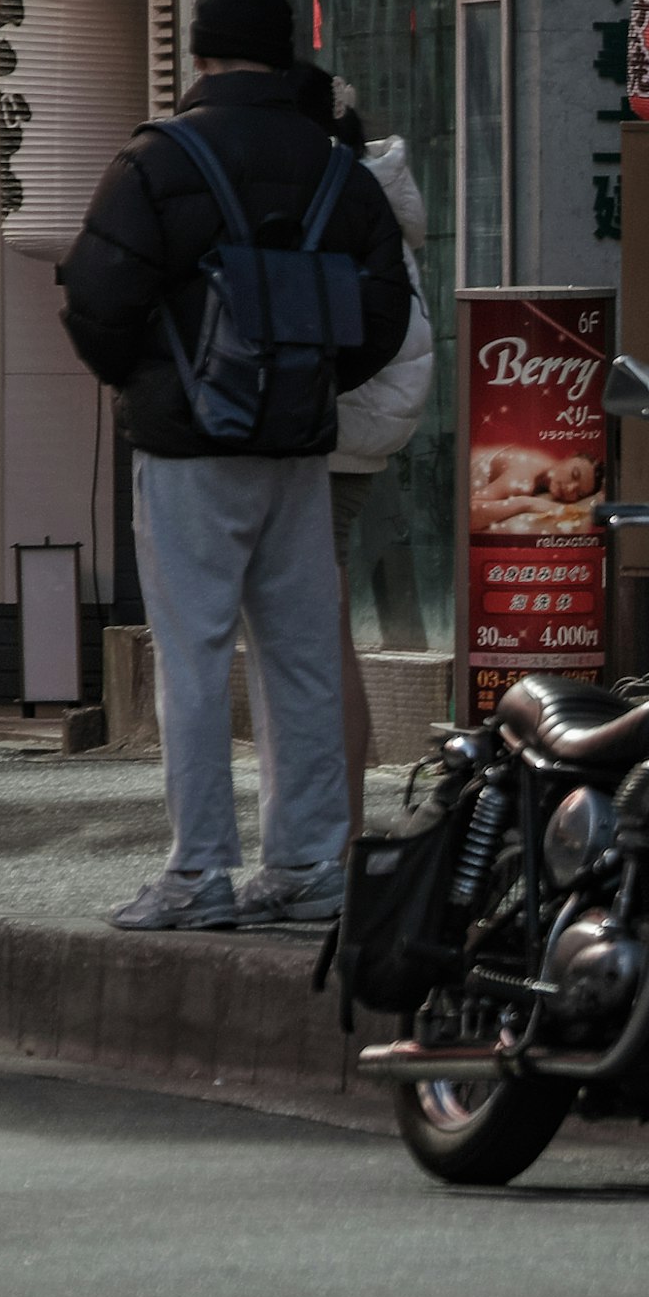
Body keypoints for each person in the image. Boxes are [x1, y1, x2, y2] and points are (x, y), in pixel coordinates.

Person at [57, 0, 413, 931]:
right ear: (284, 54)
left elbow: (96, 296)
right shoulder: (339, 167)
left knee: (194, 653)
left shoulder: (158, 158)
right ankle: (306, 869)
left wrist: (160, 381)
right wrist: (304, 385)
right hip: (296, 448)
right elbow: (384, 315)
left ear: (201, 56)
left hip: (187, 449)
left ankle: (199, 872)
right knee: (299, 658)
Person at [303, 70, 434, 822]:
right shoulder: (367, 195)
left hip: (331, 437)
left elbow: (384, 335)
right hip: (347, 434)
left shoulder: (341, 200)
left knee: (317, 641)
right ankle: (334, 826)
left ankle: (339, 830)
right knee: (322, 637)